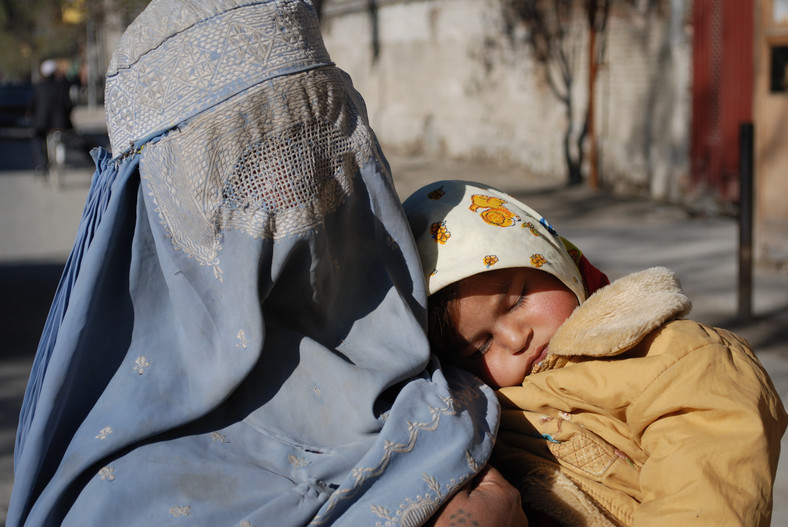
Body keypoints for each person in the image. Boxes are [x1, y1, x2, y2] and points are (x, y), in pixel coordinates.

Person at [7, 2, 523, 526]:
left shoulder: (465, 356)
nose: (293, 184)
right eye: (248, 166)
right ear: (164, 213)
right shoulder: (115, 497)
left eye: (321, 136)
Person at [403, 179, 788, 526]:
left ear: (554, 258)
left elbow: (707, 480)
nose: (516, 338)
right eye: (480, 346)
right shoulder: (483, 405)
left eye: (518, 299)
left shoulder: (674, 357)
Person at [30, 59, 73, 176]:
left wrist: (30, 114)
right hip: (61, 123)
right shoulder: (63, 85)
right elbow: (68, 104)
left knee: (37, 140)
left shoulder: (38, 87)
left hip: (42, 123)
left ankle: (41, 165)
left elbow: (33, 105)